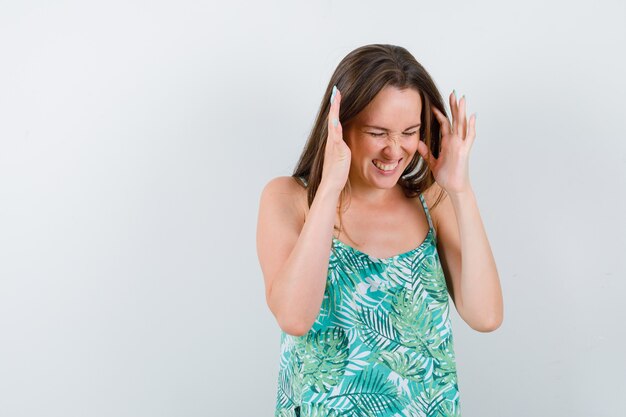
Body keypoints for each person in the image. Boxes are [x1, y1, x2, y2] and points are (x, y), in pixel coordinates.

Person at [256, 43, 503, 417]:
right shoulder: (288, 198)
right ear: (341, 125)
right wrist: (330, 189)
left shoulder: (432, 201)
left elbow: (485, 316)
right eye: (378, 132)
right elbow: (294, 317)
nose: (394, 151)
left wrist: (460, 191)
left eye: (409, 132)